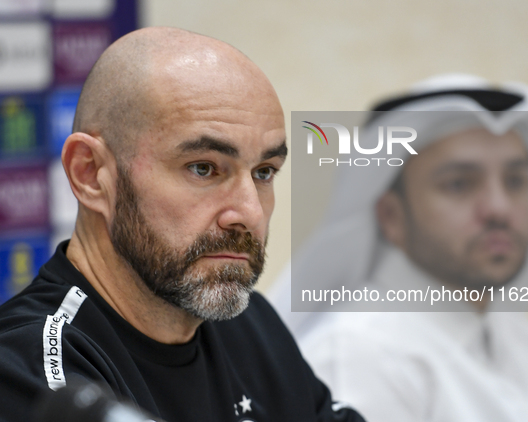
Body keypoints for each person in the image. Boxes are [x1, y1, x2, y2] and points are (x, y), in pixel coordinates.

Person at [0, 27, 365, 422]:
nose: (249, 213)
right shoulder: (32, 371)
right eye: (203, 168)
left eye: (263, 172)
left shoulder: (252, 325)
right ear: (91, 174)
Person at [270, 74, 528, 422]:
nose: (499, 207)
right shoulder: (359, 355)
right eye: (459, 184)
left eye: (515, 180)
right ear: (391, 216)